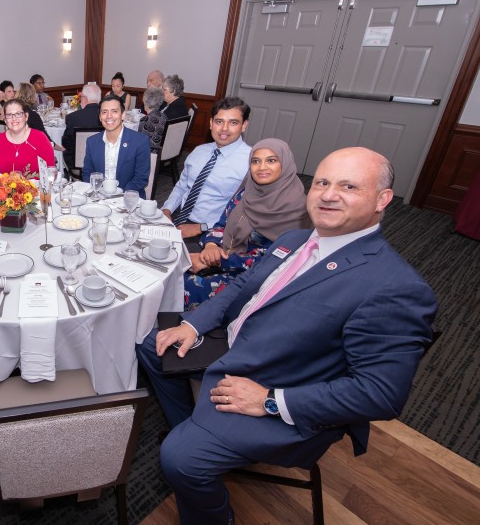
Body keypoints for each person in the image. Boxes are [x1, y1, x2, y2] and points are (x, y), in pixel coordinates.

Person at [137, 147, 436, 525]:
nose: (328, 194)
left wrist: (271, 401)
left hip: (277, 382)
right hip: (236, 345)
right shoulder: (294, 240)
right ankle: (193, 424)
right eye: (323, 182)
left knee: (180, 459)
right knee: (150, 342)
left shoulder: (394, 287)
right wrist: (192, 325)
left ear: (382, 200)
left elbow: (381, 394)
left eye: (348, 186)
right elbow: (242, 286)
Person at [185, 138, 309, 310]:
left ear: (285, 163)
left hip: (259, 276)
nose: (262, 167)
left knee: (190, 286)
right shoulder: (248, 191)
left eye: (271, 160)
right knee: (174, 266)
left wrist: (217, 263)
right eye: (255, 161)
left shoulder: (298, 209)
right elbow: (223, 223)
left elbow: (272, 259)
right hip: (225, 256)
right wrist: (211, 246)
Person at [161, 97, 253, 239]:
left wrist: (202, 227)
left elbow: (248, 212)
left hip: (214, 230)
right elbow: (182, 187)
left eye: (233, 123)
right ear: (211, 123)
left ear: (244, 125)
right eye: (219, 121)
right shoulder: (199, 151)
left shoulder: (251, 163)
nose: (224, 128)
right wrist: (167, 209)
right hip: (179, 216)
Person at [82, 94, 151, 198]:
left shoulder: (140, 141)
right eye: (104, 112)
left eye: (114, 111)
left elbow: (141, 179)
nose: (109, 116)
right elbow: (87, 174)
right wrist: (97, 192)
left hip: (128, 199)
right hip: (99, 197)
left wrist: (119, 196)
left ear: (123, 115)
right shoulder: (92, 142)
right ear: (100, 117)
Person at [0, 98, 55, 176]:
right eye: (9, 115)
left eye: (18, 114)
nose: (14, 118)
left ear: (26, 116)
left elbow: (50, 171)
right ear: (5, 119)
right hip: (7, 188)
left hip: (36, 187)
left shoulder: (40, 138)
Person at [62, 83, 102, 170]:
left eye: (81, 97)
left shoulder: (72, 117)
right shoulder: (106, 118)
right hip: (101, 163)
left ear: (85, 99)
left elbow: (66, 143)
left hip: (76, 165)